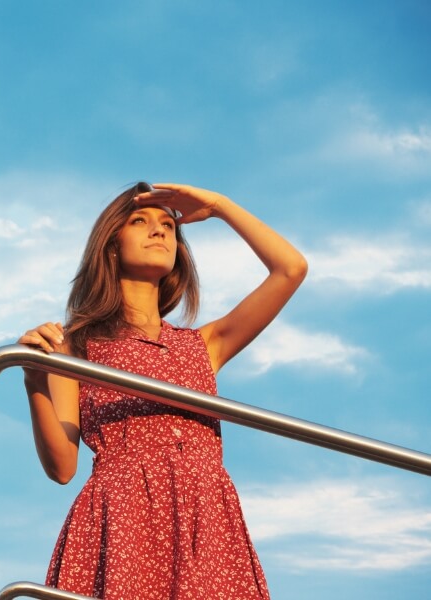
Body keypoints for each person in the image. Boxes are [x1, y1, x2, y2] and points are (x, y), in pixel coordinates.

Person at [18, 182, 307, 600]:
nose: (159, 231)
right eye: (140, 221)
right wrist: (33, 378)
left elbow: (291, 269)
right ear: (111, 246)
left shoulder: (203, 345)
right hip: (123, 518)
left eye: (169, 226)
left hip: (207, 521)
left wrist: (219, 206)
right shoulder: (76, 346)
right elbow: (62, 467)